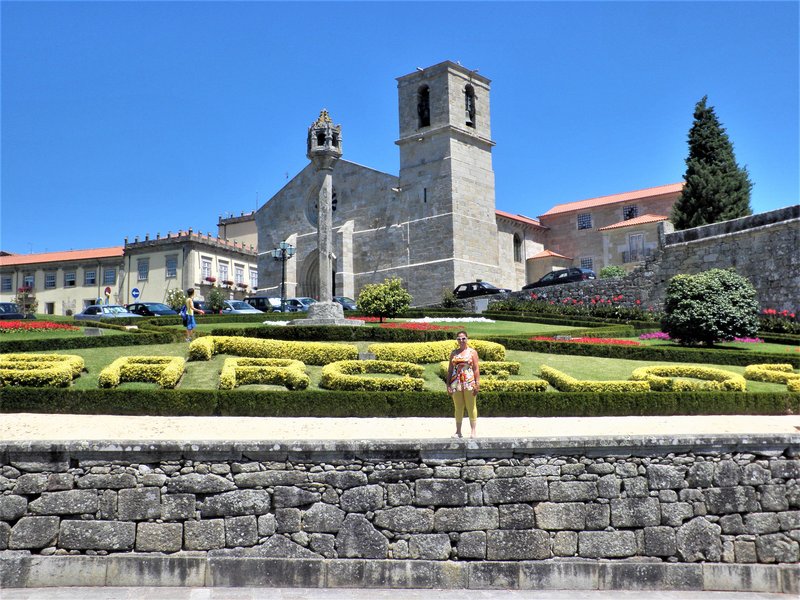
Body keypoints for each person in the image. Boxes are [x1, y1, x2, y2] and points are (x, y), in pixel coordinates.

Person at [446, 330, 480, 438]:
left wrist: (477, 383)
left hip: (469, 382)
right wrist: (448, 385)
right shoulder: (454, 353)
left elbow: (476, 369)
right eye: (459, 339)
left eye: (463, 338)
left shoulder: (472, 352)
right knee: (458, 407)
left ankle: (473, 431)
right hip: (456, 382)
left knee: (471, 406)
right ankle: (458, 431)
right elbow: (450, 370)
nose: (461, 340)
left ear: (467, 339)